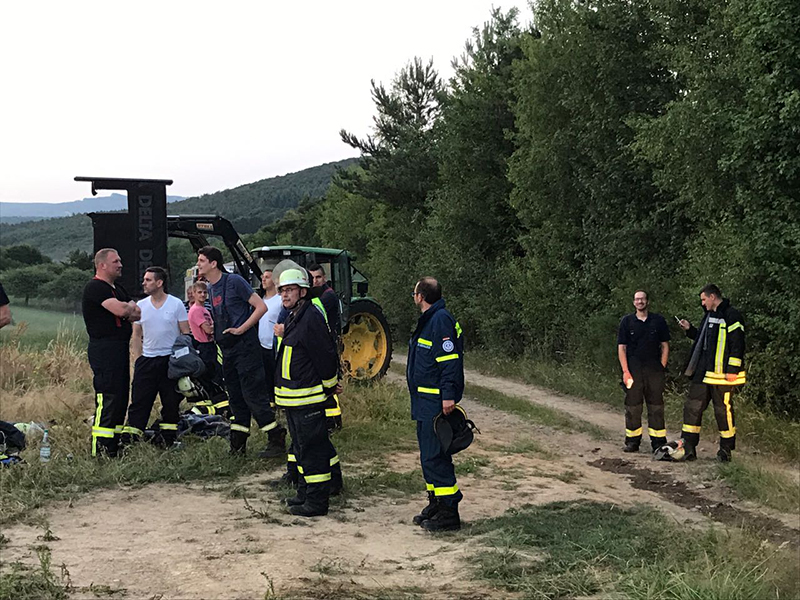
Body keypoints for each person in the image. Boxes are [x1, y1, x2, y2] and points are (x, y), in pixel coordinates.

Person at [197, 246, 285, 457]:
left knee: (253, 395)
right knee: (235, 397)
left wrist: (241, 329)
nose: (198, 264)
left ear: (213, 263)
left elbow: (260, 307)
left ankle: (276, 438)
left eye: (201, 260)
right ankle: (238, 445)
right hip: (228, 350)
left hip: (245, 347)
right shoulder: (211, 288)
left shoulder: (234, 281)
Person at [273, 267, 340, 517]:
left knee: (313, 451)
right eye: (282, 290)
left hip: (307, 397)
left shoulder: (311, 317)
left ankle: (317, 501)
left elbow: (325, 355)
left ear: (303, 292)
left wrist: (330, 385)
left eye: (290, 290)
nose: (284, 294)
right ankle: (304, 493)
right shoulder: (295, 316)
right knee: (301, 449)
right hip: (294, 397)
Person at [407, 277, 465, 532]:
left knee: (435, 456)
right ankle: (436, 502)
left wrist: (448, 396)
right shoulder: (429, 319)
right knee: (427, 456)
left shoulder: (440, 320)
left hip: (435, 402)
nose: (414, 297)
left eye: (414, 293)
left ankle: (449, 511)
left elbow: (449, 361)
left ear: (420, 296)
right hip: (423, 401)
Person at [81, 248, 140, 457]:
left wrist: (128, 307)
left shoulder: (118, 289)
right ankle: (100, 448)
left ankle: (113, 445)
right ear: (102, 265)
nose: (120, 265)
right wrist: (128, 307)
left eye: (120, 260)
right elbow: (124, 310)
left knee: (121, 396)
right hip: (104, 348)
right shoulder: (96, 287)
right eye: (116, 261)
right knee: (108, 396)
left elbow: (137, 313)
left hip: (119, 348)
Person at [678, 284, 746, 462]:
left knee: (723, 412)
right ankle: (688, 448)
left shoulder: (731, 315)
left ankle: (725, 450)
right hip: (703, 373)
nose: (702, 303)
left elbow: (738, 344)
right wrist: (690, 330)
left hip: (723, 376)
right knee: (692, 409)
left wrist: (733, 369)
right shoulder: (709, 315)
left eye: (704, 299)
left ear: (713, 297)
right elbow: (704, 339)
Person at [123, 267, 190, 446]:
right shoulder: (141, 306)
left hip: (169, 361)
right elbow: (136, 335)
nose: (144, 283)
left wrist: (183, 361)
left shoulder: (176, 304)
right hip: (147, 360)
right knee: (139, 401)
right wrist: (138, 359)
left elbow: (185, 333)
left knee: (171, 402)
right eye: (144, 279)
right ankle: (131, 439)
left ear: (159, 283)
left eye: (148, 280)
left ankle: (168, 439)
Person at [617, 290, 670, 454]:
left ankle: (658, 442)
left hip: (654, 371)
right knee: (633, 407)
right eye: (637, 299)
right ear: (634, 302)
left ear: (647, 301)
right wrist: (625, 371)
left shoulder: (658, 321)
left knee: (656, 407)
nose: (640, 302)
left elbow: (665, 346)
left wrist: (661, 367)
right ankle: (632, 442)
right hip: (634, 370)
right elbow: (621, 348)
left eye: (642, 299)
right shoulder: (627, 322)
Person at [308, 264, 344, 429]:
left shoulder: (328, 296)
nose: (315, 281)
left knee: (330, 382)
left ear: (324, 278)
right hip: (320, 343)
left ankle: (334, 421)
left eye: (318, 277)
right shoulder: (316, 295)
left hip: (328, 343)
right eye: (312, 278)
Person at [258, 267, 282, 404]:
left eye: (267, 277)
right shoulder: (260, 300)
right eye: (263, 277)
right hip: (262, 344)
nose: (263, 279)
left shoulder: (279, 300)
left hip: (274, 344)